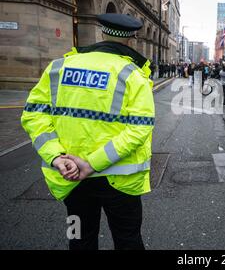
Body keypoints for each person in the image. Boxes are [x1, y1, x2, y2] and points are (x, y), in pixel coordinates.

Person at [21, 13, 155, 250]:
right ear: (131, 39)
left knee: (78, 238)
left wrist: (56, 157)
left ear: (101, 33)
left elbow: (33, 115)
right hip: (119, 181)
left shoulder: (58, 67)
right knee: (128, 239)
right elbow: (139, 128)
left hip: (71, 177)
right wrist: (93, 163)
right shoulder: (132, 74)